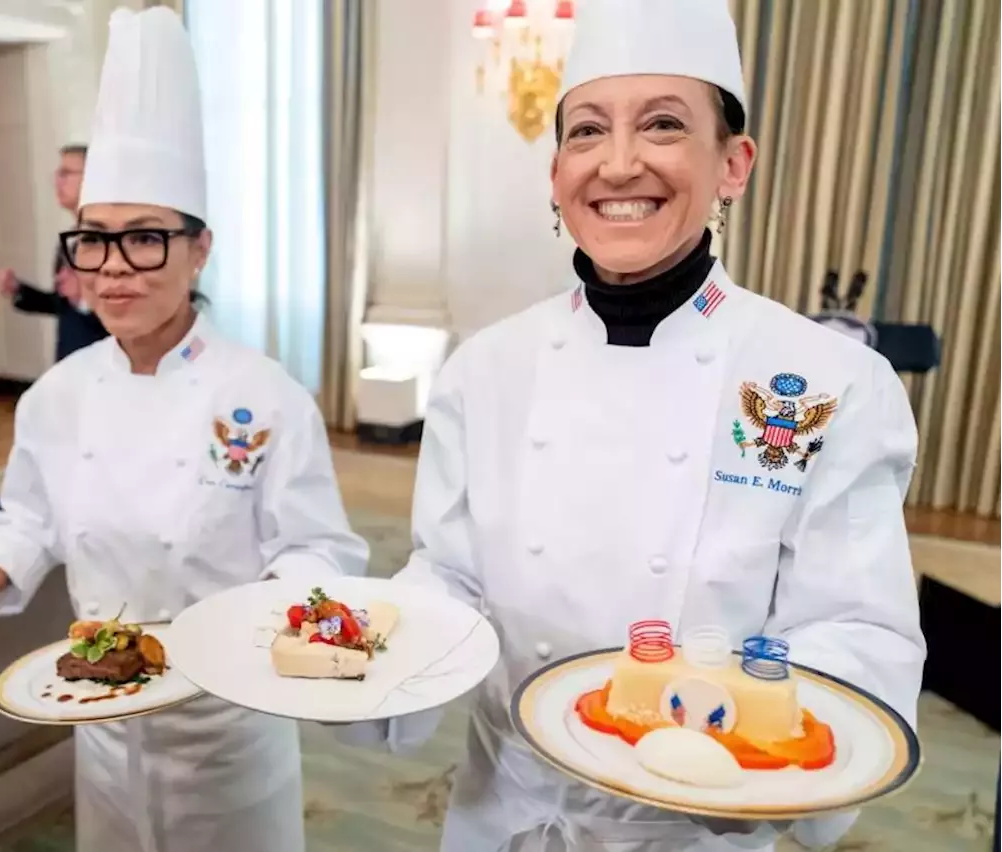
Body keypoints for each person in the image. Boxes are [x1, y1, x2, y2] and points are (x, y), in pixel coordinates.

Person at [337, 0, 926, 849]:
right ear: (555, 174)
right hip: (503, 810)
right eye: (586, 131)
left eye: (662, 125)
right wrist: (367, 666)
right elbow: (451, 576)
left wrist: (740, 758)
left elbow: (855, 630)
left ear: (734, 163)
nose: (617, 164)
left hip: (696, 819)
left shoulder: (834, 384)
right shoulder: (484, 369)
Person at [0, 8, 367, 852]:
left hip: (227, 727)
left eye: (144, 240)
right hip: (98, 716)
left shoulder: (268, 396)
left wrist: (290, 606)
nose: (111, 268)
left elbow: (317, 547)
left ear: (199, 248)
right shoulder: (57, 395)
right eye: (94, 242)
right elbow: (30, 516)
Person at [0, 143, 109, 361]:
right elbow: (62, 305)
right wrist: (19, 290)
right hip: (67, 366)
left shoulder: (111, 240)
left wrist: (86, 299)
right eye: (57, 174)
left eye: (66, 173)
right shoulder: (69, 240)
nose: (56, 181)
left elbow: (133, 314)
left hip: (101, 367)